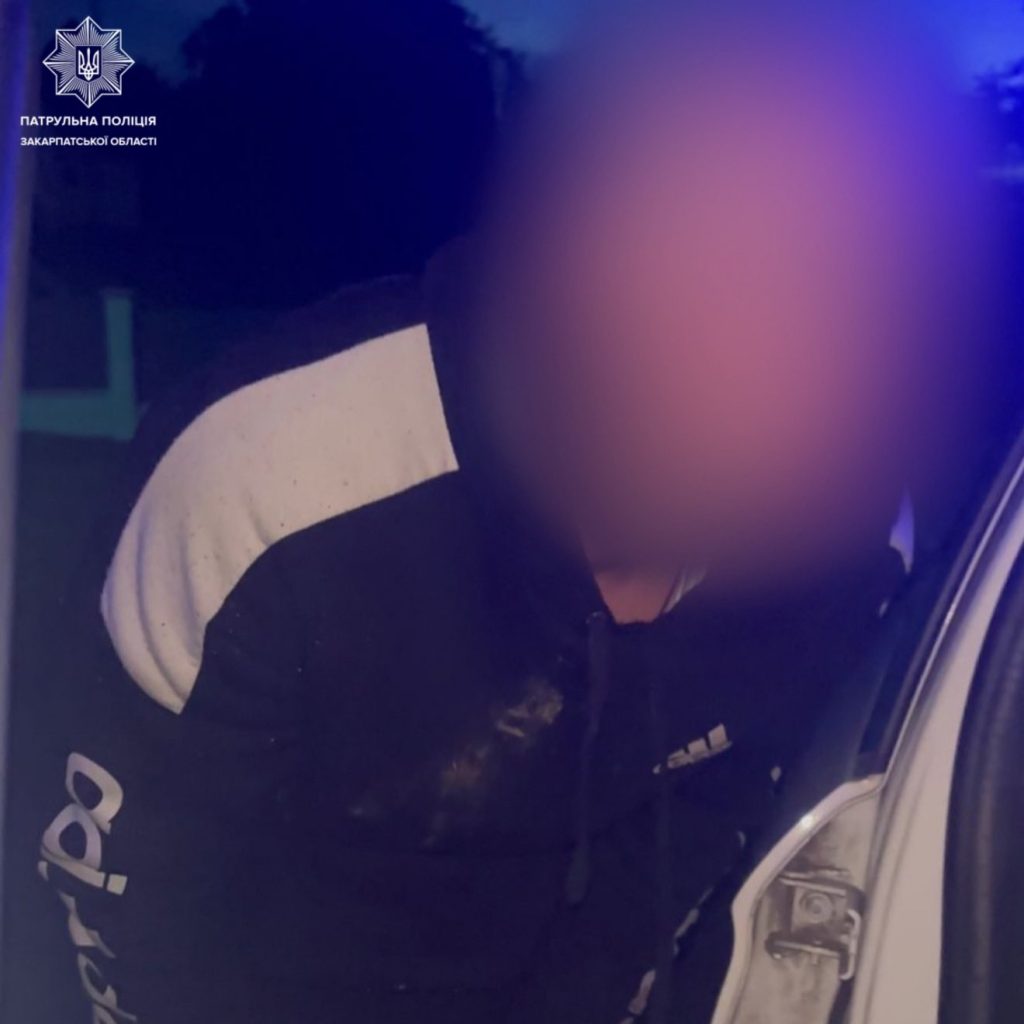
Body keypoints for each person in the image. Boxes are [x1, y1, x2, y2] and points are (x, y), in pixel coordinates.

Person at [36, 5, 994, 1023]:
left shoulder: (851, 548)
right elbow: (136, 918)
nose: (765, 361)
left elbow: (705, 878)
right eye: (705, 243)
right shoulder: (263, 484)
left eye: (841, 289)